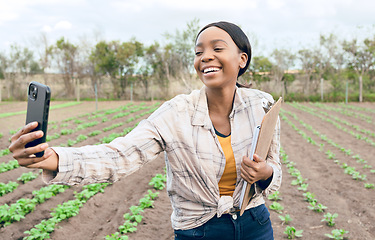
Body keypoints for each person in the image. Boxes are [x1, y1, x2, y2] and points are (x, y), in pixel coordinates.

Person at [9, 21, 281, 240]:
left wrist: (266, 173)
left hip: (255, 224)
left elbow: (274, 168)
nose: (205, 56)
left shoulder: (262, 105)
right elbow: (120, 156)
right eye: (199, 52)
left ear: (242, 59)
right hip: (200, 230)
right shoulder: (176, 113)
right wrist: (53, 158)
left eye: (217, 48)